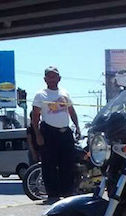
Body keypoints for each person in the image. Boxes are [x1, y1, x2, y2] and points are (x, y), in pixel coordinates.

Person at [31, 67, 81, 203]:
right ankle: (52, 195)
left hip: (65, 132)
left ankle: (68, 193)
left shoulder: (65, 93)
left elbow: (71, 111)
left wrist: (77, 126)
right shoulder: (40, 95)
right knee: (49, 165)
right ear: (45, 79)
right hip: (48, 132)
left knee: (68, 163)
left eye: (54, 76)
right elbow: (35, 116)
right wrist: (38, 135)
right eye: (49, 77)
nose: (52, 79)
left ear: (59, 78)